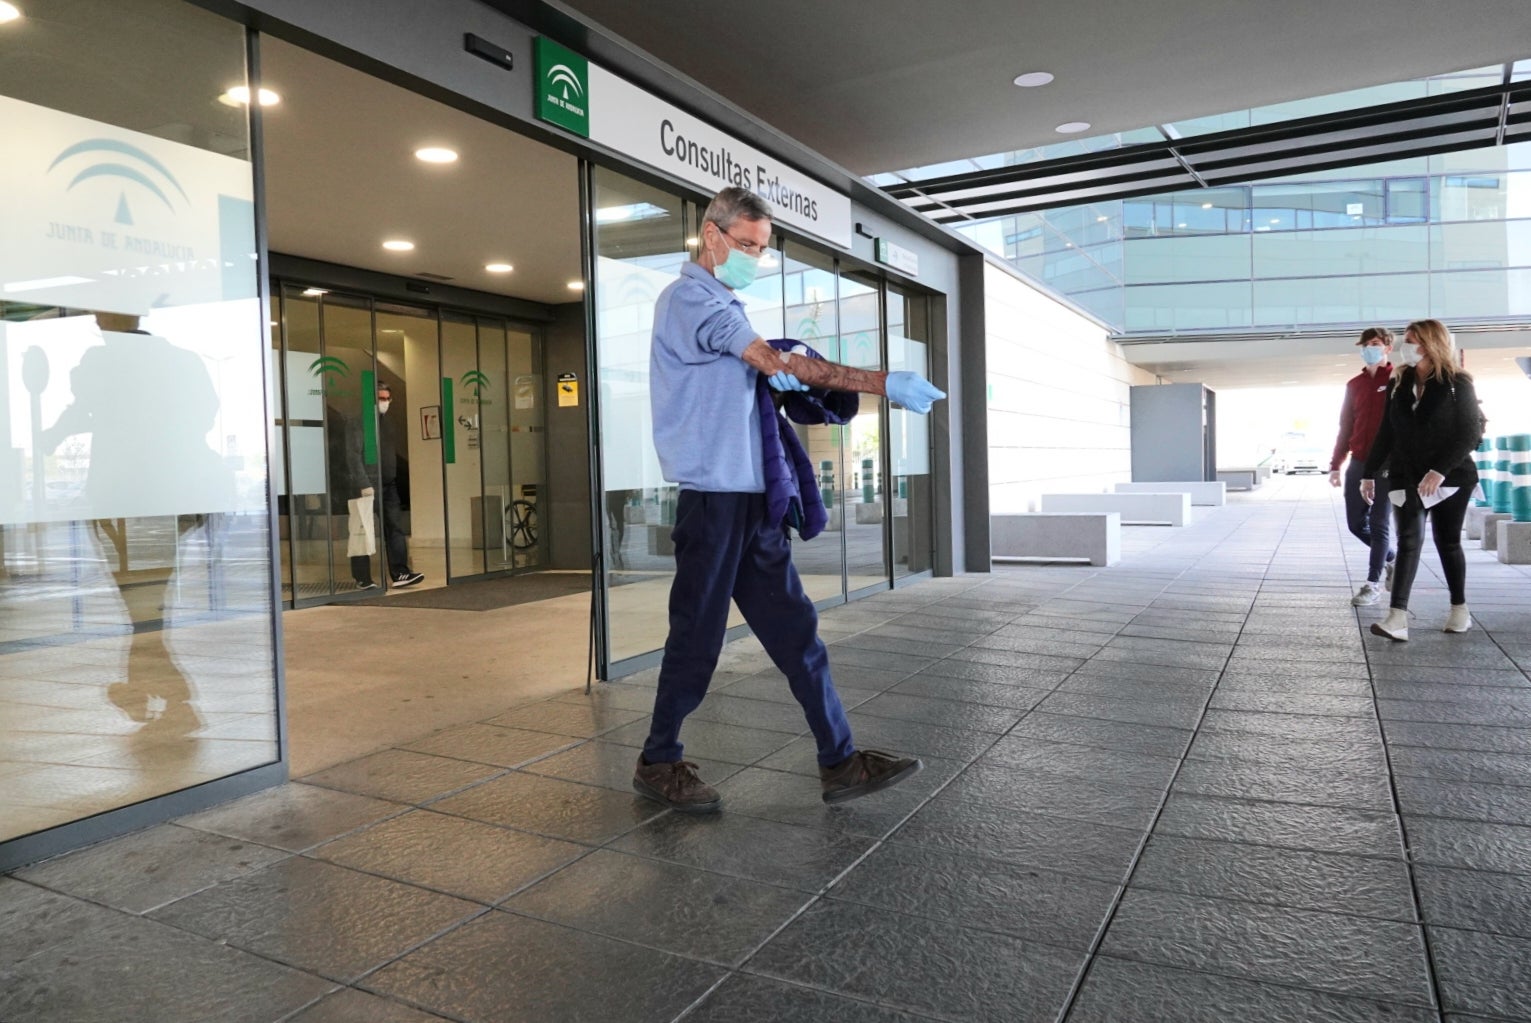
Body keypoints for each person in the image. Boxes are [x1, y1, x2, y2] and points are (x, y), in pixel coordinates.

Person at [634, 185, 946, 813]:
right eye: (746, 244)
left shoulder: (725, 300)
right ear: (711, 234)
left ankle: (841, 762)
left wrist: (779, 370)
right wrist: (881, 382)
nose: (754, 255)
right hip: (714, 502)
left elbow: (759, 368)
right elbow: (761, 356)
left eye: (762, 248)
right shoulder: (688, 297)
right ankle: (658, 760)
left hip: (752, 504)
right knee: (697, 638)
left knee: (798, 634)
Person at [1361, 319, 1482, 641]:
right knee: (1409, 541)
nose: (1406, 346)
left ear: (1430, 343)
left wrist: (1439, 470)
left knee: (1448, 542)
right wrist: (1369, 473)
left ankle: (1459, 608)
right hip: (1407, 474)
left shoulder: (1457, 382)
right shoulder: (1400, 382)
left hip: (1452, 476)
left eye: (1412, 340)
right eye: (1406, 340)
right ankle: (1396, 618)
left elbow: (1470, 432)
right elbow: (1386, 433)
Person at [1329, 326, 1398, 606]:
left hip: (1387, 463)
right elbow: (1346, 426)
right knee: (1356, 524)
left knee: (1380, 522)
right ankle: (1391, 558)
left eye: (1375, 343)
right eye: (1365, 344)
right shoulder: (1354, 385)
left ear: (1387, 347)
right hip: (1358, 462)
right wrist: (1335, 464)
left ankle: (1372, 584)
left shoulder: (1397, 379)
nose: (1369, 348)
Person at [348, 382, 424, 589]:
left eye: (387, 399)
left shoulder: (387, 423)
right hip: (366, 487)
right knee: (362, 530)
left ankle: (400, 573)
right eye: (380, 398)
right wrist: (363, 483)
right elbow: (353, 455)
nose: (384, 402)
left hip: (388, 485)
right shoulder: (359, 422)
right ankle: (362, 578)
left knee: (395, 529)